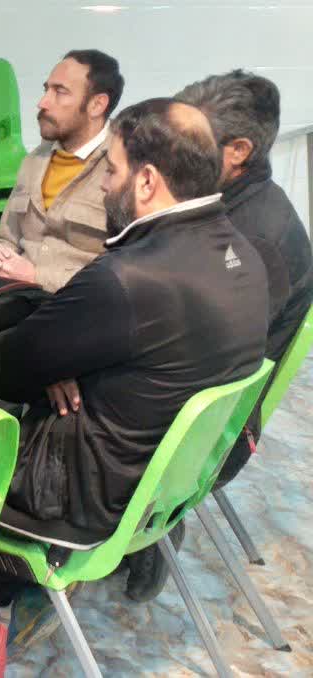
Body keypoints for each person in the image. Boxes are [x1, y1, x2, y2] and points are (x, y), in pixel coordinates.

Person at [0, 99, 268, 650]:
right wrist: (57, 361)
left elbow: (6, 368)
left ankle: (0, 593)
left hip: (81, 496)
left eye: (110, 170)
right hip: (164, 486)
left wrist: (48, 363)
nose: (102, 185)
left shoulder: (127, 278)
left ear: (146, 181)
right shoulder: (245, 254)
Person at [176, 70, 313, 489]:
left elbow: (193, 359)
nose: (172, 153)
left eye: (189, 142)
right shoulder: (222, 206)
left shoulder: (255, 242)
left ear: (238, 151)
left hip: (199, 440)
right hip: (187, 408)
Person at [0, 50, 123, 291]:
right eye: (46, 89)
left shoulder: (123, 170)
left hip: (76, 303)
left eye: (60, 92)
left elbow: (122, 273)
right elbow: (5, 238)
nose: (42, 102)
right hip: (14, 294)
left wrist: (37, 277)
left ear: (97, 105)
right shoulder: (35, 160)